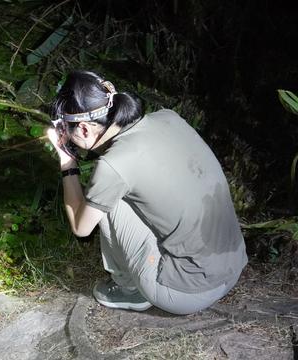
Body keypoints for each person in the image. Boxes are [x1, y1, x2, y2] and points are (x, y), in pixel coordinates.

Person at [46, 70, 248, 315]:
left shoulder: (114, 166)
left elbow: (81, 227)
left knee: (108, 200)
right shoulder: (168, 118)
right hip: (234, 263)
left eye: (66, 127)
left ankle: (131, 290)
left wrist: (67, 161)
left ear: (86, 129)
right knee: (117, 189)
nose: (65, 133)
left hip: (188, 293)